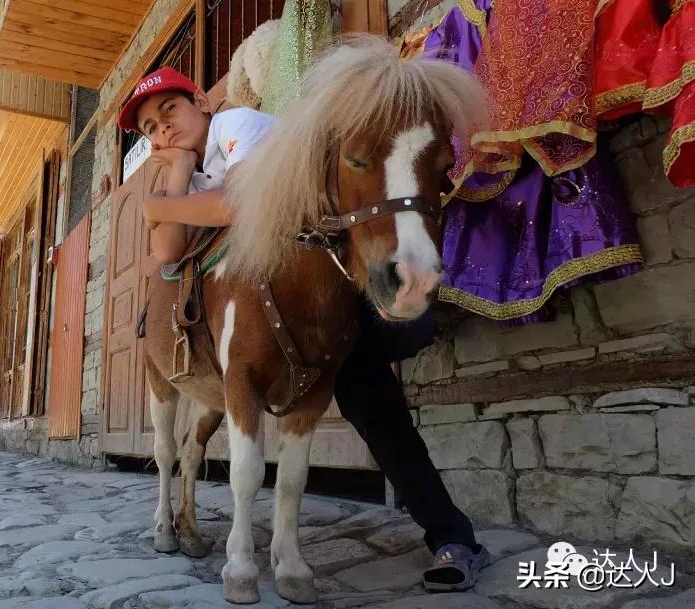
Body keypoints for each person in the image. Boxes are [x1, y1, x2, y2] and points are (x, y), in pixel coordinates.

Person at [118, 66, 489, 591]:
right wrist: (176, 172)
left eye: (170, 112)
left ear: (202, 100)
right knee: (369, 407)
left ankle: (452, 535)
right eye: (151, 129)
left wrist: (157, 205)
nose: (163, 131)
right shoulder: (199, 169)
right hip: (286, 303)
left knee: (375, 409)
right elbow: (167, 254)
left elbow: (239, 206)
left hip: (332, 295)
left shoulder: (237, 124)